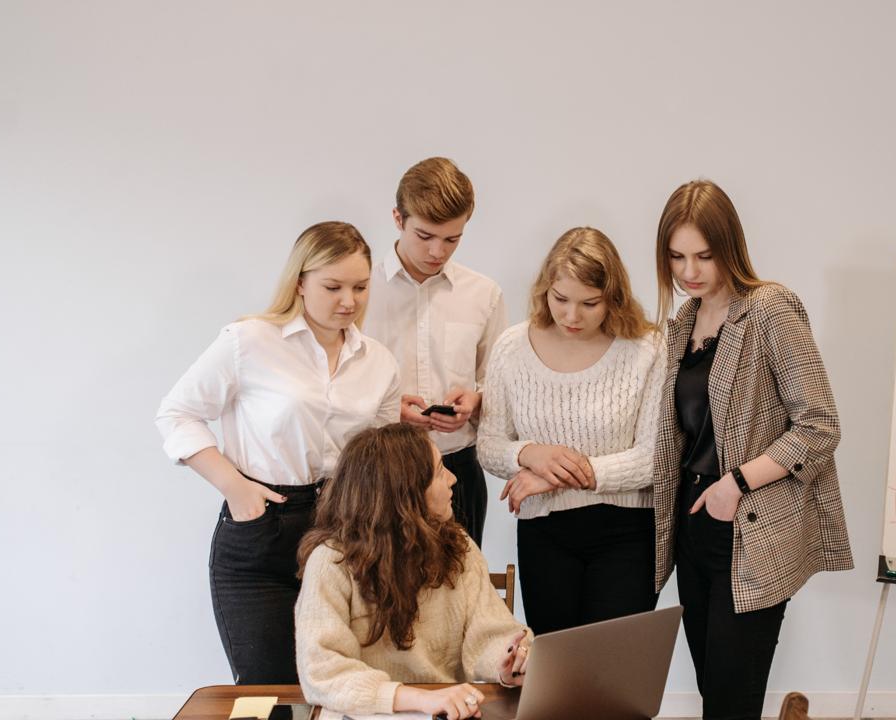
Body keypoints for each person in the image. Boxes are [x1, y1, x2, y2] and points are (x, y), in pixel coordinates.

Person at [155, 221, 400, 684]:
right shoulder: (248, 341)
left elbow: (382, 458)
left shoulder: (380, 363)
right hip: (262, 532)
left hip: (346, 534)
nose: (348, 301)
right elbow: (176, 413)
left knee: (343, 689)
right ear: (301, 282)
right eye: (333, 286)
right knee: (269, 693)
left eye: (360, 287)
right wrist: (237, 488)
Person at [651, 180, 853, 720]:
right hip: (695, 522)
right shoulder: (683, 324)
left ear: (730, 247)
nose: (689, 270)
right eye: (676, 256)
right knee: (713, 690)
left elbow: (820, 424)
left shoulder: (769, 309)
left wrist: (736, 483)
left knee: (731, 701)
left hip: (748, 522)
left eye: (703, 255)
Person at [477, 227, 665, 634]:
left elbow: (653, 459)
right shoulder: (512, 347)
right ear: (545, 289)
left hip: (627, 532)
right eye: (560, 299)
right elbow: (489, 445)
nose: (571, 316)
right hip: (543, 534)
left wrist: (556, 477)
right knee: (556, 671)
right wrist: (530, 455)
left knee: (614, 673)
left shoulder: (647, 348)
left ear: (613, 297)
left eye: (589, 303)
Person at [295, 424, 531, 720]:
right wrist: (419, 699)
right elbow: (323, 672)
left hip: (444, 711)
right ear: (405, 493)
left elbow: (489, 635)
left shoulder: (460, 547)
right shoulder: (330, 563)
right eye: (440, 470)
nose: (453, 479)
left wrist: (509, 661)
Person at [367, 157, 506, 547]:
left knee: (460, 593)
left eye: (452, 239)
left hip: (457, 468)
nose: (437, 251)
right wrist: (387, 411)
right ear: (398, 218)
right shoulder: (361, 291)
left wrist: (477, 401)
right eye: (425, 235)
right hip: (379, 471)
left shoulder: (484, 295)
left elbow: (499, 382)